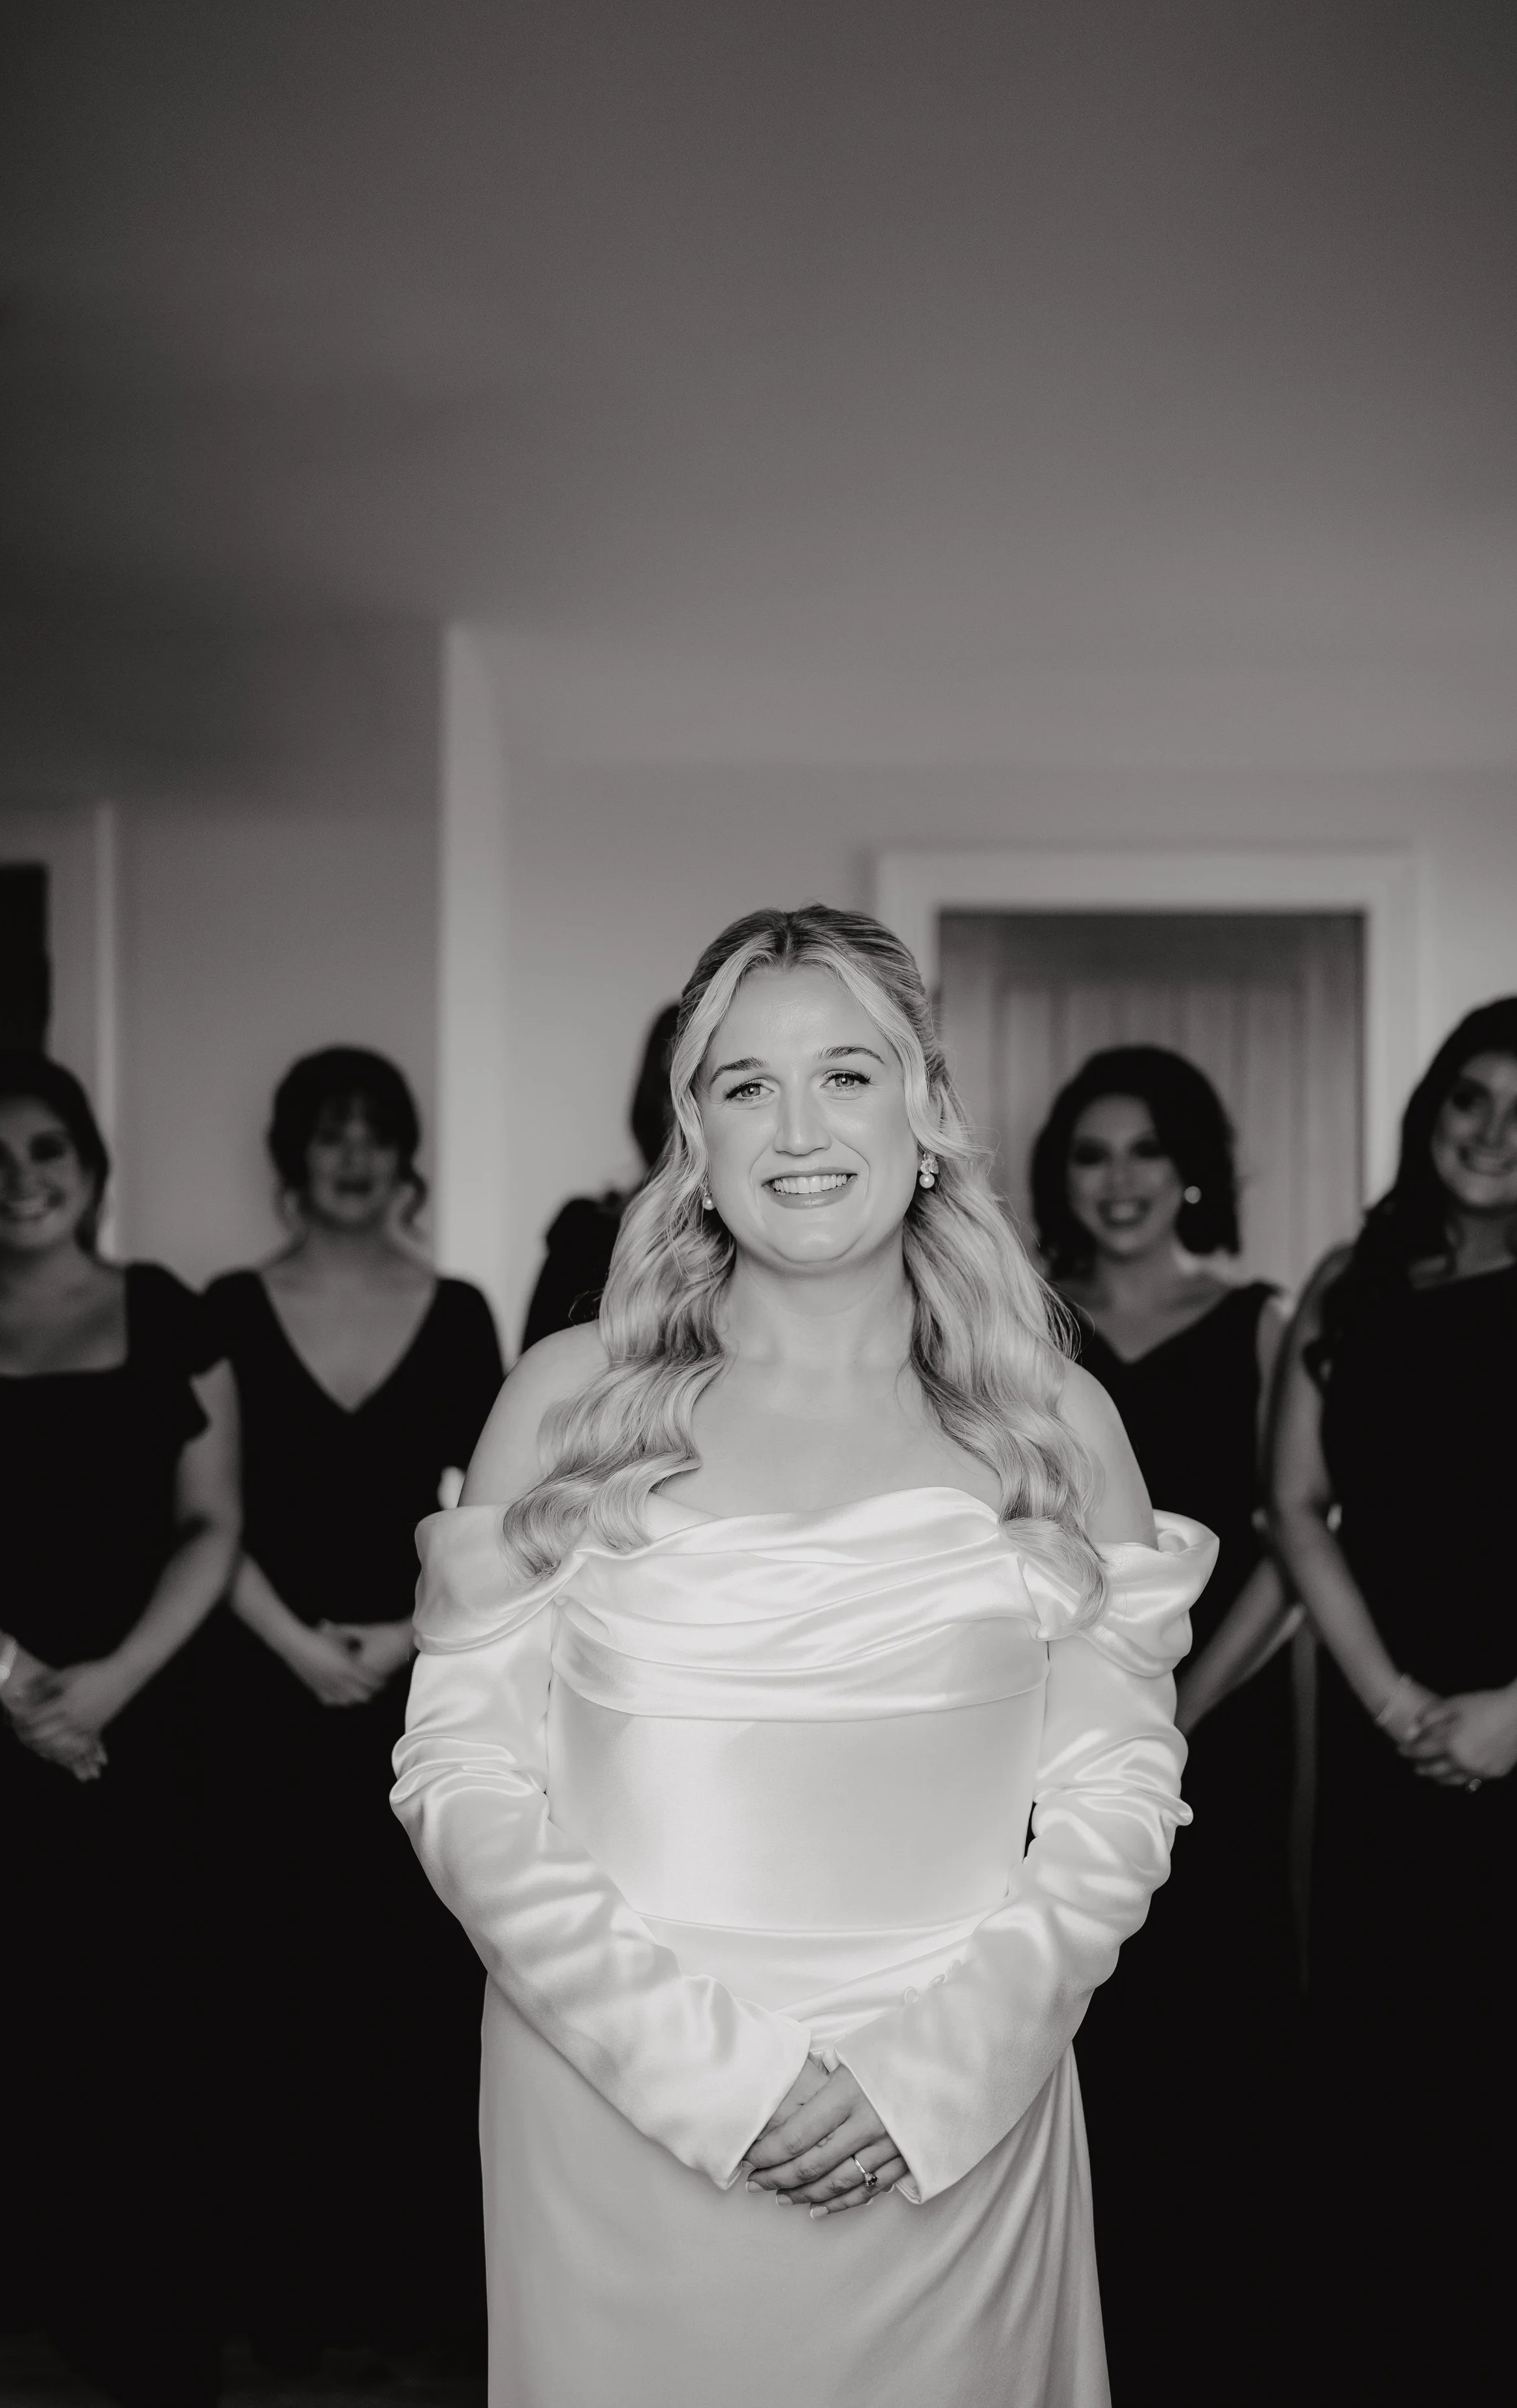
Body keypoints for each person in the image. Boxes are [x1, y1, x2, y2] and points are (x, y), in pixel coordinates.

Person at [392, 905, 1217, 2407]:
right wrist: (707, 2071)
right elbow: (461, 1775)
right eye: (743, 1082)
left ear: (925, 1112)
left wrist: (936, 2069)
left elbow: (1118, 1799)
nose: (797, 1125)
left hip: (960, 2106)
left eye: (845, 1071)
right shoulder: (567, 1400)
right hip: (614, 2096)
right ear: (690, 1136)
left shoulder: (1055, 1422)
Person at [1267, 997, 1517, 2406]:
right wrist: (1391, 1698)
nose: (1490, 1132)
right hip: (1388, 1735)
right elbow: (1293, 1507)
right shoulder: (1350, 1281)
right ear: (1427, 1113)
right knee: (1391, 2076)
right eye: (1466, 1099)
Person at [206, 1048, 503, 2367]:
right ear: (291, 1157)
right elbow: (201, 1513)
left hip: (414, 1692)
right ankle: (277, 2301)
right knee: (266, 1991)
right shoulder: (219, 1306)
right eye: (327, 1133)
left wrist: (396, 1640)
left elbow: (484, 1516)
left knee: (409, 1996)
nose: (352, 1153)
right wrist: (291, 1643)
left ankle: (411, 2302)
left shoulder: (460, 1312)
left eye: (374, 1131)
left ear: (405, 1154)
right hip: (254, 1699)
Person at [1031, 1046, 1300, 2405]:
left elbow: (1290, 1546)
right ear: (1057, 1178)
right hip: (1046, 1759)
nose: (1119, 1180)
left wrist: (1176, 1710)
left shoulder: (1258, 1321)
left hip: (1216, 1742)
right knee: (1073, 2036)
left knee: (1215, 2050)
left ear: (1191, 1167)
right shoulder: (1016, 1329)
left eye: (1144, 1151)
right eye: (1090, 1153)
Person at [0, 1052, 240, 2408]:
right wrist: (23, 1683)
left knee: (145, 2028)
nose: (20, 1180)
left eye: (45, 1151)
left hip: (146, 1727)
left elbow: (214, 1520)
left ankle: (150, 2315)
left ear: (89, 1165)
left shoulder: (167, 1313)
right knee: (17, 2017)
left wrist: (108, 1686)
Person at [520, 1001, 678, 1349]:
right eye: (675, 1087)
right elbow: (538, 1374)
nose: (691, 1110)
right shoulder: (585, 1233)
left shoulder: (762, 1238)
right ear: (654, 1099)